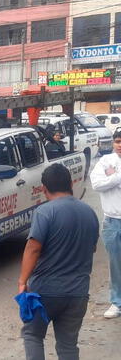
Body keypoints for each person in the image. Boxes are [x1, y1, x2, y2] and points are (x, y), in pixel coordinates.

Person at [18, 163, 99, 360]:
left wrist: (22, 281)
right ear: (71, 183)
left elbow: (33, 247)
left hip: (45, 291)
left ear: (43, 189)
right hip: (78, 292)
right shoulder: (90, 213)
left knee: (33, 335)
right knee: (68, 345)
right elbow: (92, 248)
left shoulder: (45, 212)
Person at [90, 130, 121, 319]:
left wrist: (112, 178)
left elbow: (105, 183)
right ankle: (117, 302)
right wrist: (117, 178)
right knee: (115, 264)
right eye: (118, 141)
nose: (120, 145)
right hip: (112, 221)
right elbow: (96, 184)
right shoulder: (105, 161)